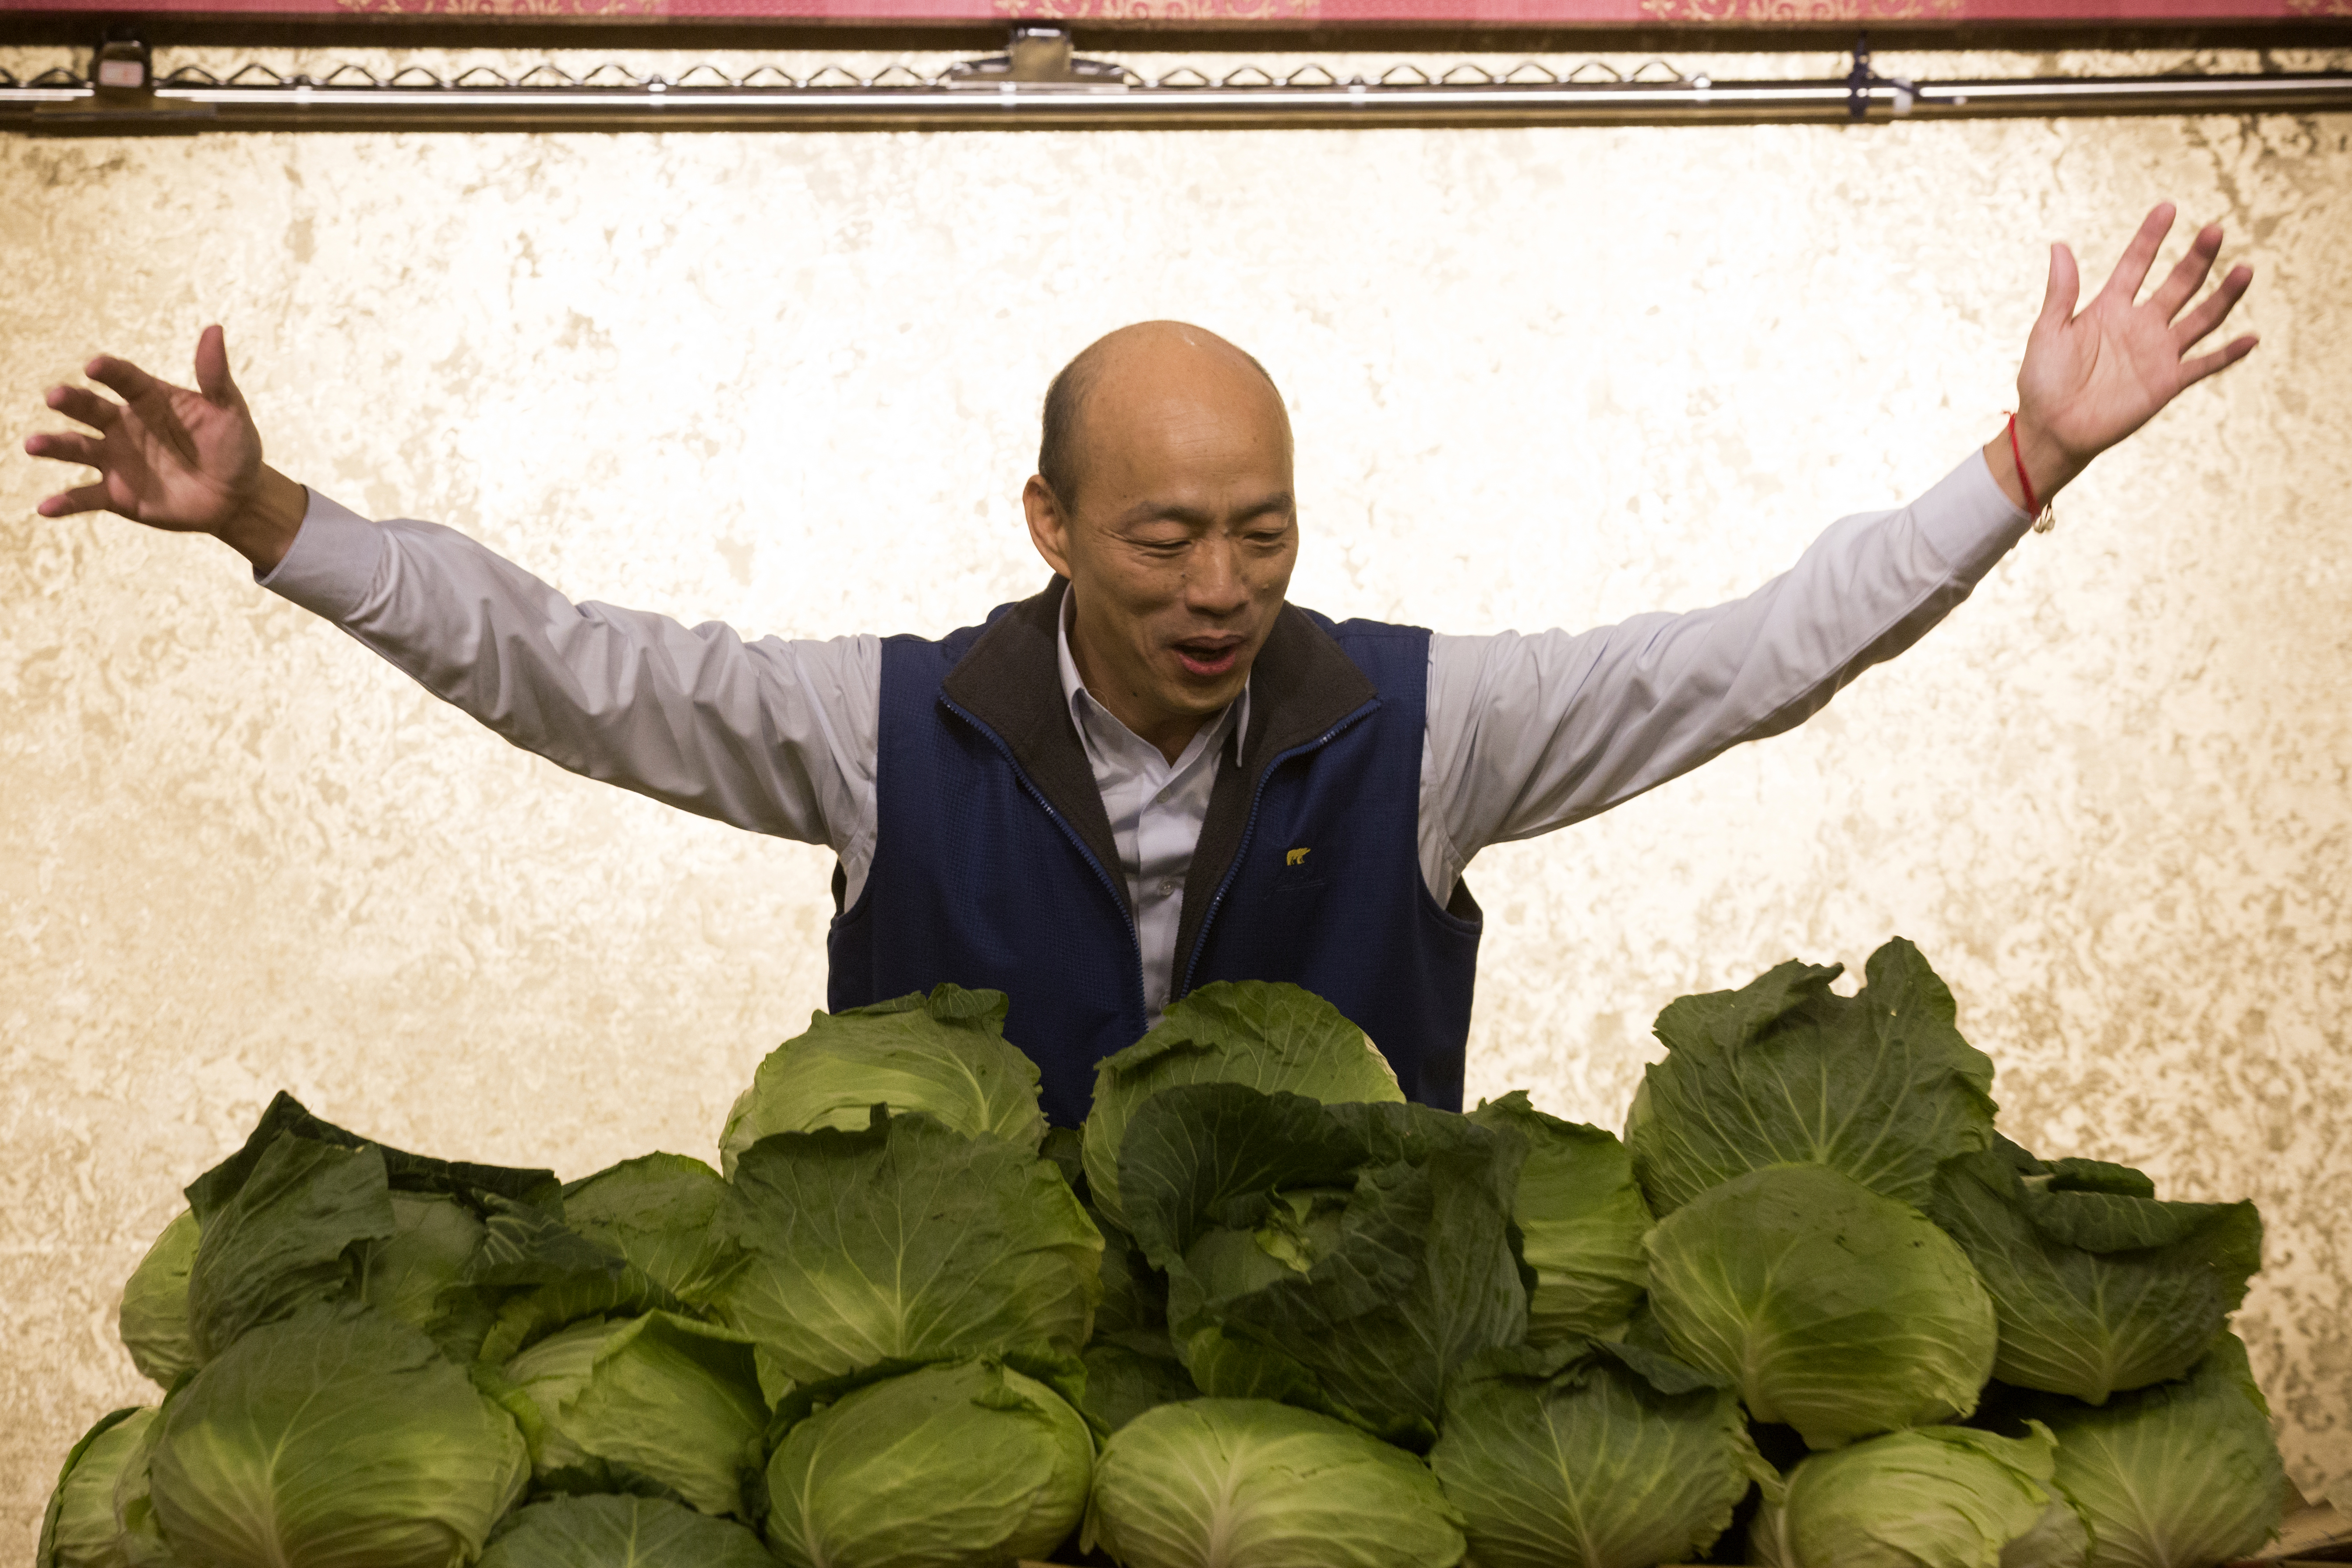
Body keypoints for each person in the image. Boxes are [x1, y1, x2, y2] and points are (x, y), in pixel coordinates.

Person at [23, 204, 2256, 1125]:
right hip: (959, 1405)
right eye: (1165, 534)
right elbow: (564, 667)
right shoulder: (879, 731)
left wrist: (2024, 460)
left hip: (1340, 1418)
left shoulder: (1429, 728)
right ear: (1051, 527)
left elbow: (1752, 657)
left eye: (1259, 529)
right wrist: (272, 515)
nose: (1220, 584)